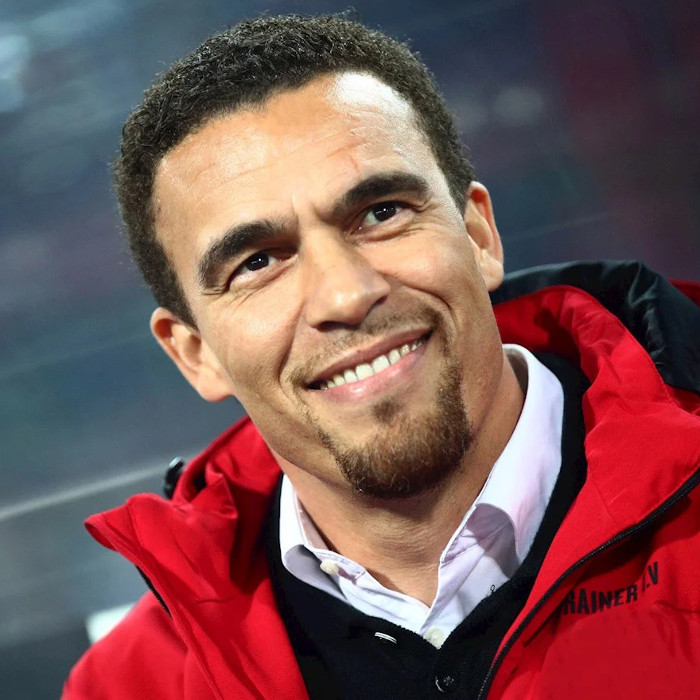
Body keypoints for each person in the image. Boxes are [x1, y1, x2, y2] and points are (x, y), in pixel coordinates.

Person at [63, 13, 700, 700]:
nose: (345, 293)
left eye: (381, 213)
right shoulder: (128, 687)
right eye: (258, 262)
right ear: (194, 354)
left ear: (479, 234)